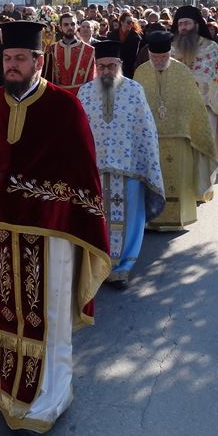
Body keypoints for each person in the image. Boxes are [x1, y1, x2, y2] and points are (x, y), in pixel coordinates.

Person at [0, 20, 110, 433]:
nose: (11, 66)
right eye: (8, 59)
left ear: (38, 61)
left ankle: (48, 396)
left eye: (20, 59)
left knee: (44, 313)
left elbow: (82, 176)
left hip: (50, 237)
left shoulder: (66, 108)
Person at [77, 41, 164, 286]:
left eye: (111, 66)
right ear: (95, 67)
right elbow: (77, 132)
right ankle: (97, 266)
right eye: (101, 66)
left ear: (120, 65)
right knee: (96, 219)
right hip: (95, 170)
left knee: (130, 218)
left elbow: (146, 130)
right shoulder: (84, 92)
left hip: (130, 169)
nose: (106, 71)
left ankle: (123, 268)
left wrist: (148, 164)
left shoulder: (135, 90)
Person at [134, 31, 218, 231]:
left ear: (169, 54)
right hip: (151, 139)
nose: (159, 61)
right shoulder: (140, 72)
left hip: (180, 137)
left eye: (163, 57)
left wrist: (196, 131)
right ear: (149, 55)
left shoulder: (182, 72)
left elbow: (194, 105)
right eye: (155, 57)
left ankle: (179, 218)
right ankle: (152, 220)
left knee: (178, 181)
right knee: (154, 180)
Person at [171, 5, 218, 164]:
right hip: (177, 111)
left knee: (203, 159)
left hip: (206, 110)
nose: (183, 28)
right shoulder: (171, 49)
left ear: (196, 25)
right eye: (180, 24)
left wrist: (199, 89)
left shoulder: (211, 48)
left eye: (186, 23)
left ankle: (205, 189)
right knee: (182, 159)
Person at [45, 12, 95, 95]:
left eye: (72, 24)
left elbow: (92, 78)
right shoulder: (51, 49)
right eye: (66, 25)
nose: (70, 27)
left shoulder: (88, 50)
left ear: (77, 26)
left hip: (81, 96)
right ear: (60, 28)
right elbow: (47, 78)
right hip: (58, 96)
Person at [106, 11, 143, 79]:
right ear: (122, 22)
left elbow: (132, 56)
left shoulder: (135, 37)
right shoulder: (112, 35)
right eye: (128, 22)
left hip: (128, 70)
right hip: (113, 67)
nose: (130, 24)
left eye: (132, 22)